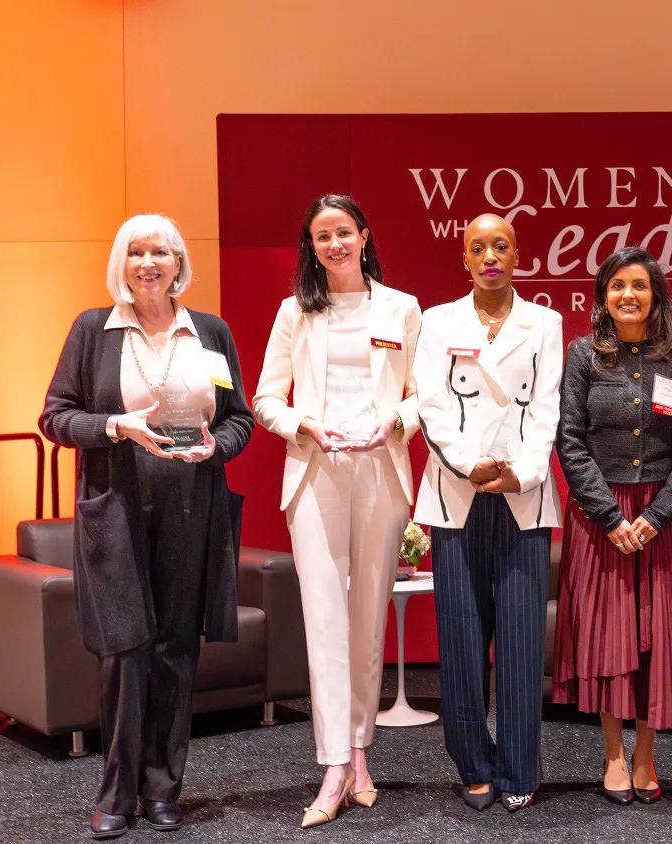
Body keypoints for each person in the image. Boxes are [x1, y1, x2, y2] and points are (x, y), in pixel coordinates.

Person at [40, 214, 253, 839]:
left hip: (193, 507)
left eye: (161, 251)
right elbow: (56, 417)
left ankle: (164, 789)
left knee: (177, 651)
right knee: (125, 651)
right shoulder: (92, 330)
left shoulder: (209, 332)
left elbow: (238, 419)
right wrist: (115, 427)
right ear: (121, 262)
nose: (148, 263)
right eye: (136, 252)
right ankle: (116, 793)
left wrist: (213, 447)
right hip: (117, 509)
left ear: (179, 263)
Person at [252, 194, 422, 829]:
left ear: (364, 236)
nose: (334, 245)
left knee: (367, 619)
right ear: (311, 246)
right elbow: (266, 395)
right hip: (316, 471)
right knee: (324, 620)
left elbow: (424, 392)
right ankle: (331, 768)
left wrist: (394, 421)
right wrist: (306, 427)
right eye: (322, 236)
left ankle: (360, 754)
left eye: (343, 233)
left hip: (381, 469)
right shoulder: (294, 312)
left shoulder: (401, 308)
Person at [413, 213, 563, 813]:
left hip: (523, 496)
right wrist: (471, 465)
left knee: (524, 643)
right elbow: (430, 403)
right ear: (465, 259)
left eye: (500, 245)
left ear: (518, 254)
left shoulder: (544, 322)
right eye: (478, 247)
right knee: (462, 636)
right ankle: (474, 763)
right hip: (457, 495)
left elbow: (547, 407)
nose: (490, 256)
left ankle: (520, 766)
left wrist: (519, 473)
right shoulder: (437, 321)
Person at [551, 246, 672, 806]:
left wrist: (659, 514)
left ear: (657, 295)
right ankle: (613, 755)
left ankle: (647, 755)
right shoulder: (584, 355)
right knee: (608, 637)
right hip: (602, 517)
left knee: (653, 638)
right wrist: (611, 516)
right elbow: (569, 440)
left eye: (639, 285)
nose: (628, 296)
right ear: (602, 299)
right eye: (617, 286)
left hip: (661, 516)